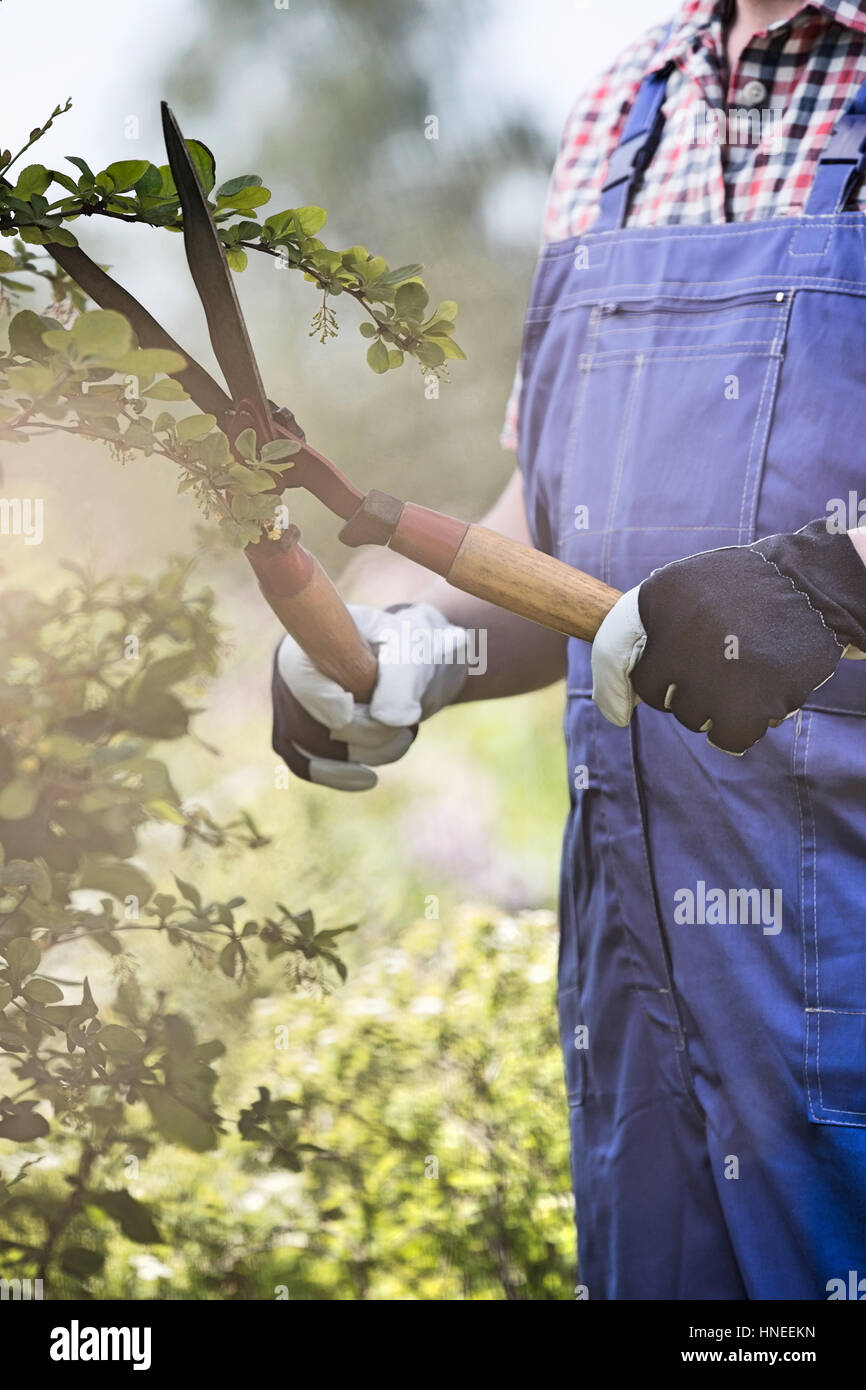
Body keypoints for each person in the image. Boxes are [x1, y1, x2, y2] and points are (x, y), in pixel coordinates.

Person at [272, 0, 866, 1299]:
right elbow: (554, 518)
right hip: (638, 964)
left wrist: (833, 575)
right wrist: (419, 648)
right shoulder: (621, 108)